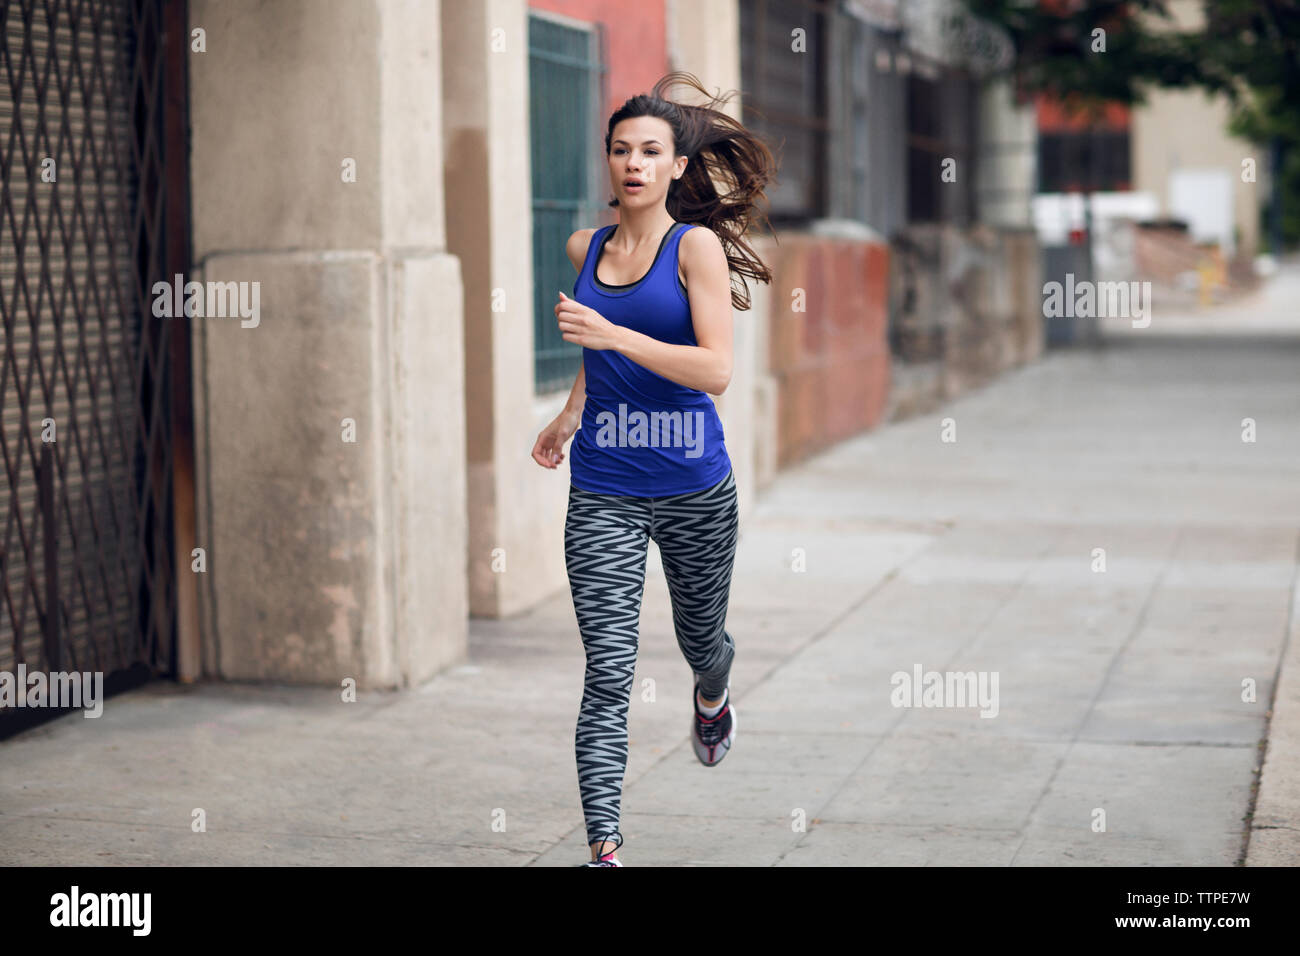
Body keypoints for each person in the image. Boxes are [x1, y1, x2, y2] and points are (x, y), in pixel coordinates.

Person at [530, 72, 776, 867]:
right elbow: (601, 357)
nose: (633, 163)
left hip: (694, 486)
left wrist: (611, 337)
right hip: (603, 487)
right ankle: (604, 847)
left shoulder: (693, 248)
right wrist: (572, 410)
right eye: (620, 150)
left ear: (675, 166)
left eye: (651, 151)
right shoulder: (585, 249)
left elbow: (714, 371)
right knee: (609, 667)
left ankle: (712, 694)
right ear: (608, 161)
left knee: (701, 637)